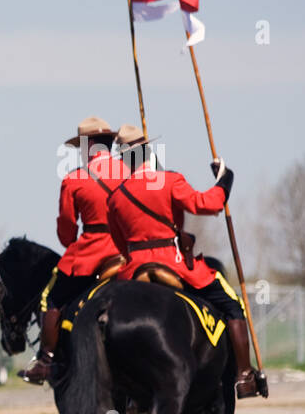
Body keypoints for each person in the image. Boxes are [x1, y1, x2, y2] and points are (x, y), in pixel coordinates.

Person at [107, 127, 265, 399]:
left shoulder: (116, 196)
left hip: (134, 271)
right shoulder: (170, 181)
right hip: (174, 264)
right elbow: (208, 204)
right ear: (148, 152)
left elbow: (120, 243)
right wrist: (225, 179)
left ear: (123, 159)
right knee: (232, 305)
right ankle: (244, 377)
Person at [21, 116, 128, 385]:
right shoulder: (130, 173)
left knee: (50, 298)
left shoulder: (75, 179)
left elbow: (67, 233)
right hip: (130, 252)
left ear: (89, 145)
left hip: (93, 254)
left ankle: (45, 361)